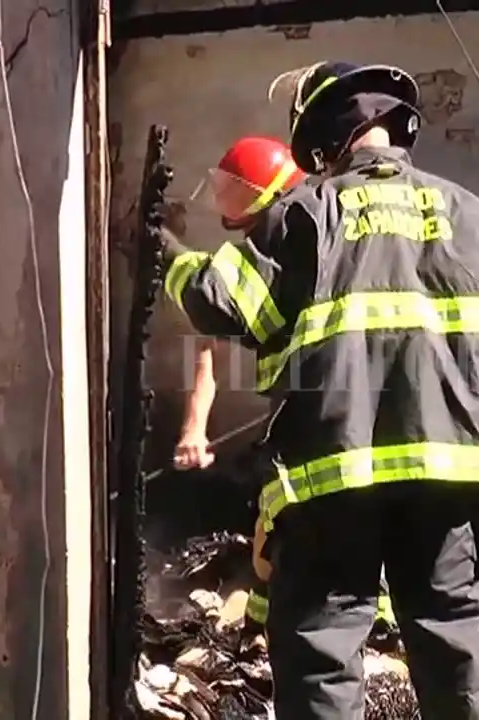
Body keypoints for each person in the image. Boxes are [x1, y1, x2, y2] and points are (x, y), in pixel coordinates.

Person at [159, 62, 479, 719]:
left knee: (324, 657)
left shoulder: (305, 215)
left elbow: (221, 302)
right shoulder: (474, 218)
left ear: (323, 138)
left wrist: (165, 254)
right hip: (455, 480)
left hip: (335, 482)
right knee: (458, 649)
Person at [169, 134, 395, 634]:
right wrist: (194, 427)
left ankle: (352, 632)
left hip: (333, 440)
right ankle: (269, 630)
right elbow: (213, 336)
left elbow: (211, 305)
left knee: (317, 554)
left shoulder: (294, 236)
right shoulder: (298, 236)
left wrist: (169, 255)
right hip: (341, 433)